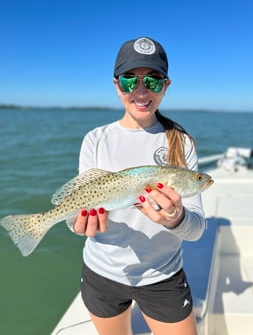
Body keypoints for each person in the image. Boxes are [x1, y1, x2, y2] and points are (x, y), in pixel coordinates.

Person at [71, 37, 206, 335]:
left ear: (166, 85)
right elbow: (78, 209)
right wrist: (77, 223)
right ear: (117, 84)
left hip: (163, 275)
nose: (141, 91)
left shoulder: (180, 143)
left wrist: (177, 218)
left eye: (153, 81)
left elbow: (196, 229)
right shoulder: (96, 139)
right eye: (130, 81)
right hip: (102, 273)